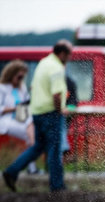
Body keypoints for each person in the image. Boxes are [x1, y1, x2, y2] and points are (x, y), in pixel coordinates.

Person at [3, 40, 72, 192]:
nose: (69, 57)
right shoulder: (56, 68)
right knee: (54, 149)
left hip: (37, 113)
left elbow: (33, 87)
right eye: (68, 54)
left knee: (38, 147)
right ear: (62, 54)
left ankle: (11, 171)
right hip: (51, 113)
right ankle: (57, 185)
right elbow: (56, 94)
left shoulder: (43, 63)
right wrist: (60, 108)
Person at [0, 60, 37, 175]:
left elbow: (26, 102)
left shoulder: (22, 88)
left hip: (21, 119)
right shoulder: (2, 88)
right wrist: (15, 108)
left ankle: (31, 167)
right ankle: (31, 167)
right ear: (12, 74)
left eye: (23, 77)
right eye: (19, 76)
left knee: (32, 132)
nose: (21, 79)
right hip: (6, 120)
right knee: (31, 135)